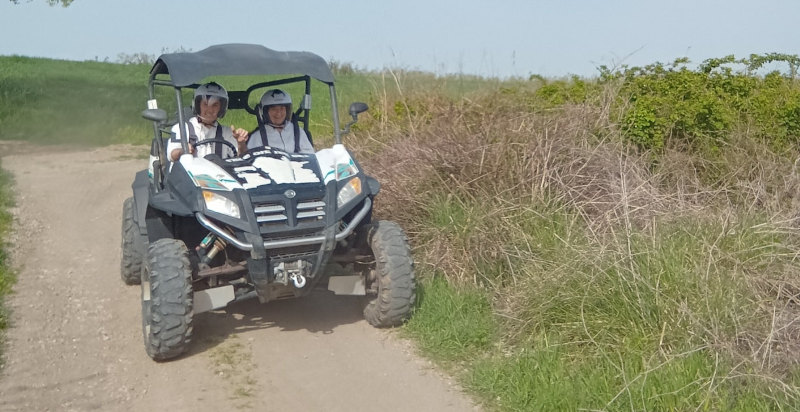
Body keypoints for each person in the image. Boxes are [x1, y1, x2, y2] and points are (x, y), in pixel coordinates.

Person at [167, 82, 249, 162]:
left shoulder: (227, 132)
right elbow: (171, 155)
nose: (210, 110)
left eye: (215, 105)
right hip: (190, 174)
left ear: (221, 108)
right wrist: (183, 151)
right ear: (197, 105)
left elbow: (242, 159)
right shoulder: (182, 128)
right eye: (205, 104)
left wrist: (241, 143)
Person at [247, 89, 314, 154]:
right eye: (274, 109)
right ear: (265, 112)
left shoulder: (298, 132)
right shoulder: (257, 136)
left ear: (287, 110)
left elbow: (310, 156)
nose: (278, 113)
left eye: (282, 108)